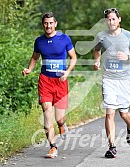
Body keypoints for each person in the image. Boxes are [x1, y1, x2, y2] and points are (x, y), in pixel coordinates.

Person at [22, 12, 77, 158]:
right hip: (45, 80)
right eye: (46, 23)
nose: (48, 25)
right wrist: (29, 69)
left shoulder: (64, 39)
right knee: (47, 111)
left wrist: (67, 72)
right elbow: (34, 58)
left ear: (55, 24)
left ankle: (61, 125)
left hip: (60, 81)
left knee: (60, 118)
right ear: (43, 25)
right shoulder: (39, 41)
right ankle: (53, 147)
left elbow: (73, 57)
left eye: (51, 23)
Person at [93, 8, 130, 158]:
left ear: (119, 19)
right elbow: (96, 50)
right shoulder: (101, 36)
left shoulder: (128, 36)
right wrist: (97, 60)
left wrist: (127, 57)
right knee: (109, 113)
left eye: (114, 19)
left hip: (124, 80)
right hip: (108, 79)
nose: (111, 22)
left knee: (123, 113)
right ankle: (112, 147)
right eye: (108, 19)